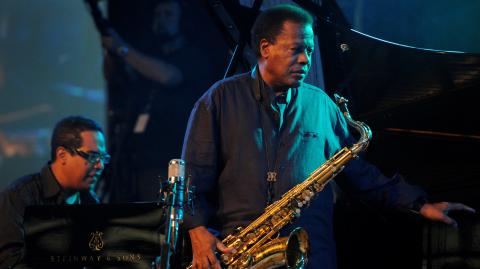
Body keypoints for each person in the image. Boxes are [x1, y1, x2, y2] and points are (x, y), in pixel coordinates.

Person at [181, 4, 475, 269]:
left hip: (312, 254)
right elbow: (192, 179)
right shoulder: (219, 100)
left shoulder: (321, 104)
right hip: (238, 254)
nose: (304, 59)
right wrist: (197, 230)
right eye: (295, 49)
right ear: (265, 48)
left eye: (309, 50)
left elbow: (360, 174)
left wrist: (418, 204)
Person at [102, 0, 222, 201]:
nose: (161, 20)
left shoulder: (194, 56)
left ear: (182, 20)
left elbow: (169, 76)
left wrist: (122, 48)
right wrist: (111, 52)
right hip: (134, 161)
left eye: (168, 14)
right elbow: (114, 77)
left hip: (167, 160)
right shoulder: (148, 54)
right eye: (157, 15)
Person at [0, 116, 109, 268]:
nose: (100, 165)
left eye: (103, 158)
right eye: (92, 156)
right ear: (62, 155)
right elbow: (10, 262)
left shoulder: (90, 201)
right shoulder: (18, 197)